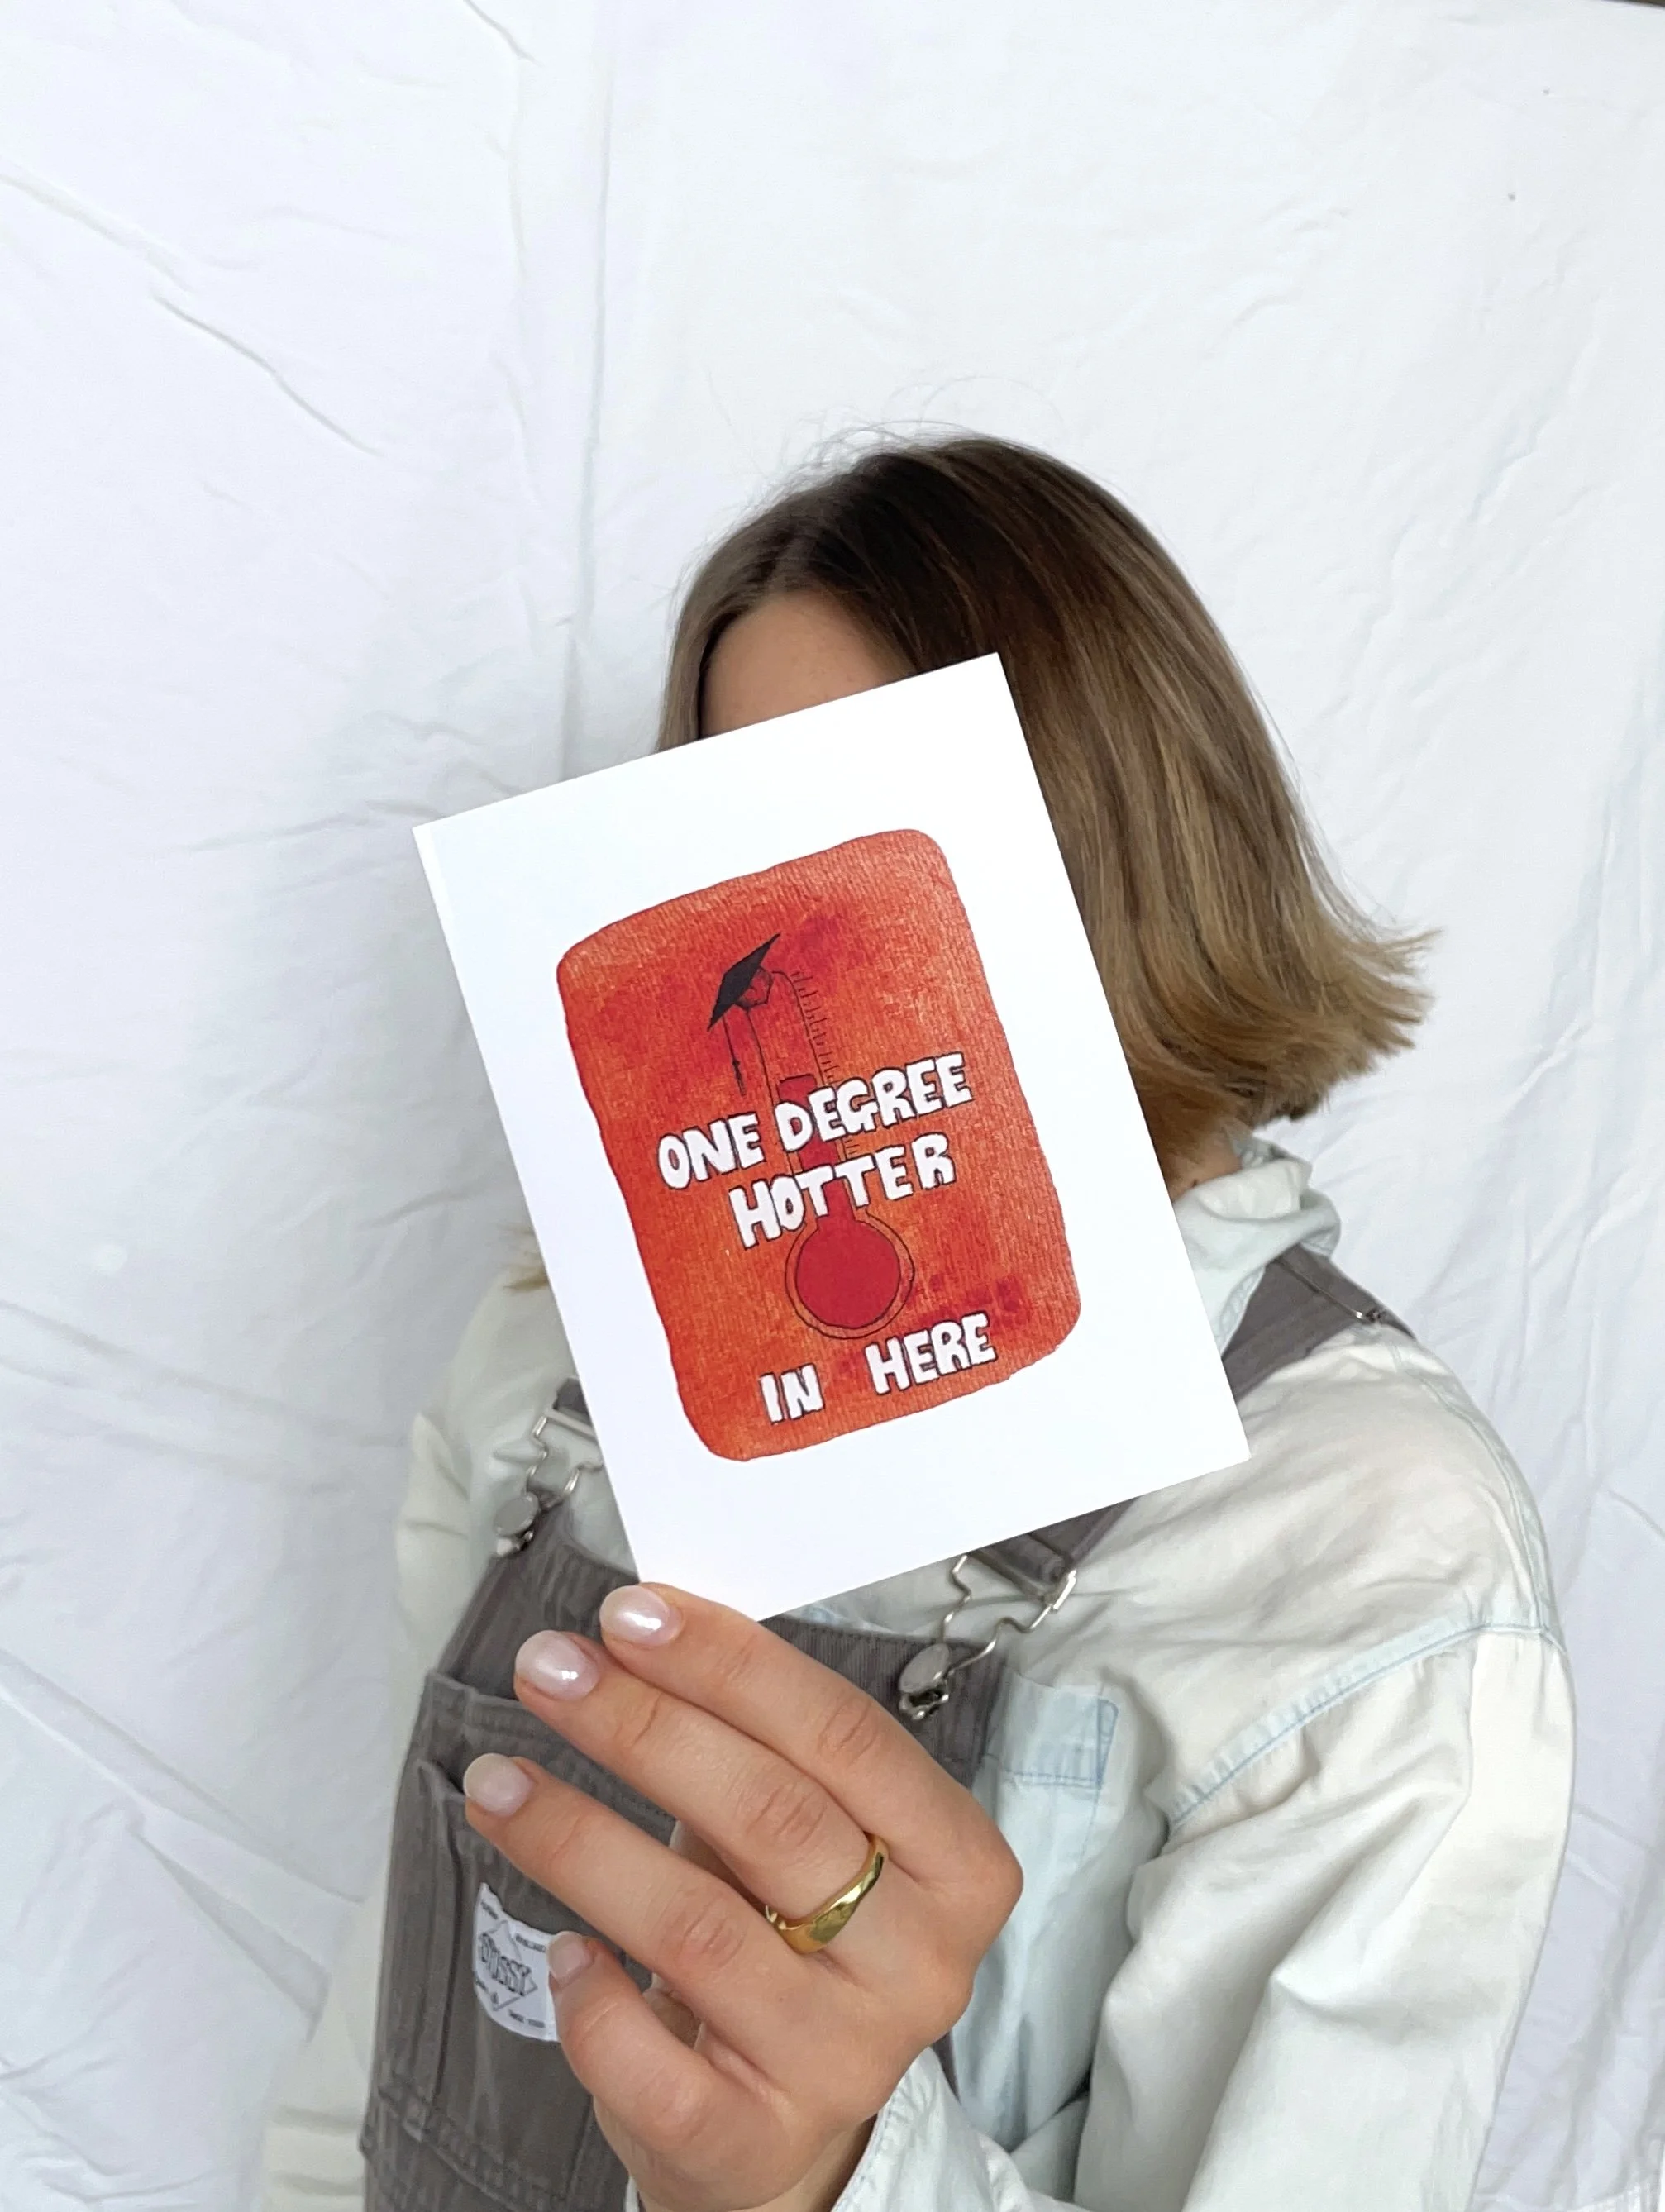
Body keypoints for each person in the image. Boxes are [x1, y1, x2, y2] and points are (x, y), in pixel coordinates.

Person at [263, 436, 1572, 2212]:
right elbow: (364, 2065)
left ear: (1124, 843)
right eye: (730, 825)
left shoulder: (1361, 1549)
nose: (791, 918)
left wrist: (828, 2177)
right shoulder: (553, 1376)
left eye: (877, 815)